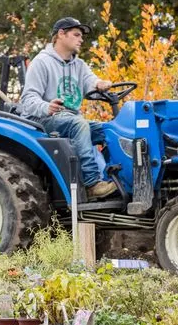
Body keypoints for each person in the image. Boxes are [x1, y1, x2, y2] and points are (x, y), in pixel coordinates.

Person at [19, 16, 117, 199]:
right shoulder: (41, 62)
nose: (81, 39)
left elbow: (90, 80)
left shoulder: (78, 65)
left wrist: (100, 83)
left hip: (69, 119)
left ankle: (117, 179)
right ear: (61, 34)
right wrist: (47, 106)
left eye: (82, 36)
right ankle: (92, 183)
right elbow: (28, 99)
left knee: (110, 130)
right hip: (41, 120)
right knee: (79, 124)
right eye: (77, 34)